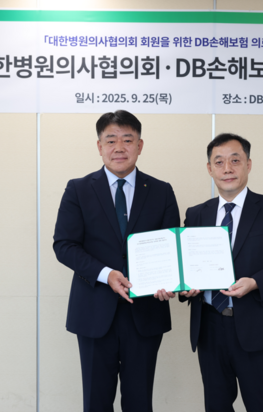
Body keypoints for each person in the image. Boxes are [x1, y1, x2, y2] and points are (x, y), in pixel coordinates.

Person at [53, 110, 180, 412]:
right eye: (111, 140)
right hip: (94, 311)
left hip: (145, 312)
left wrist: (170, 282)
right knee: (96, 403)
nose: (119, 147)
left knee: (139, 402)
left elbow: (171, 248)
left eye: (127, 140)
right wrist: (106, 273)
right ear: (99, 146)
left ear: (140, 145)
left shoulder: (161, 191)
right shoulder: (78, 189)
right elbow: (64, 245)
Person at [180, 133, 263, 412]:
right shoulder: (196, 214)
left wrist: (255, 282)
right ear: (209, 168)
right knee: (216, 406)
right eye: (219, 162)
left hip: (256, 325)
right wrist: (184, 287)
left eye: (235, 160)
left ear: (248, 164)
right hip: (209, 327)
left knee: (262, 406)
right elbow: (186, 266)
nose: (227, 168)